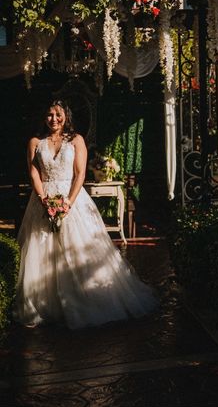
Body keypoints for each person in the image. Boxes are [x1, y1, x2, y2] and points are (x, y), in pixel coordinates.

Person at [14, 100, 158, 330]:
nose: (54, 119)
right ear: (44, 117)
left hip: (73, 199)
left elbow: (80, 174)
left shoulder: (76, 140)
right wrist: (45, 201)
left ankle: (87, 301)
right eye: (49, 115)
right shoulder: (35, 142)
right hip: (42, 199)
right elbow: (33, 174)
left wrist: (68, 203)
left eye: (58, 114)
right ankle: (46, 305)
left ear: (66, 116)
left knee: (80, 249)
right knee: (41, 250)